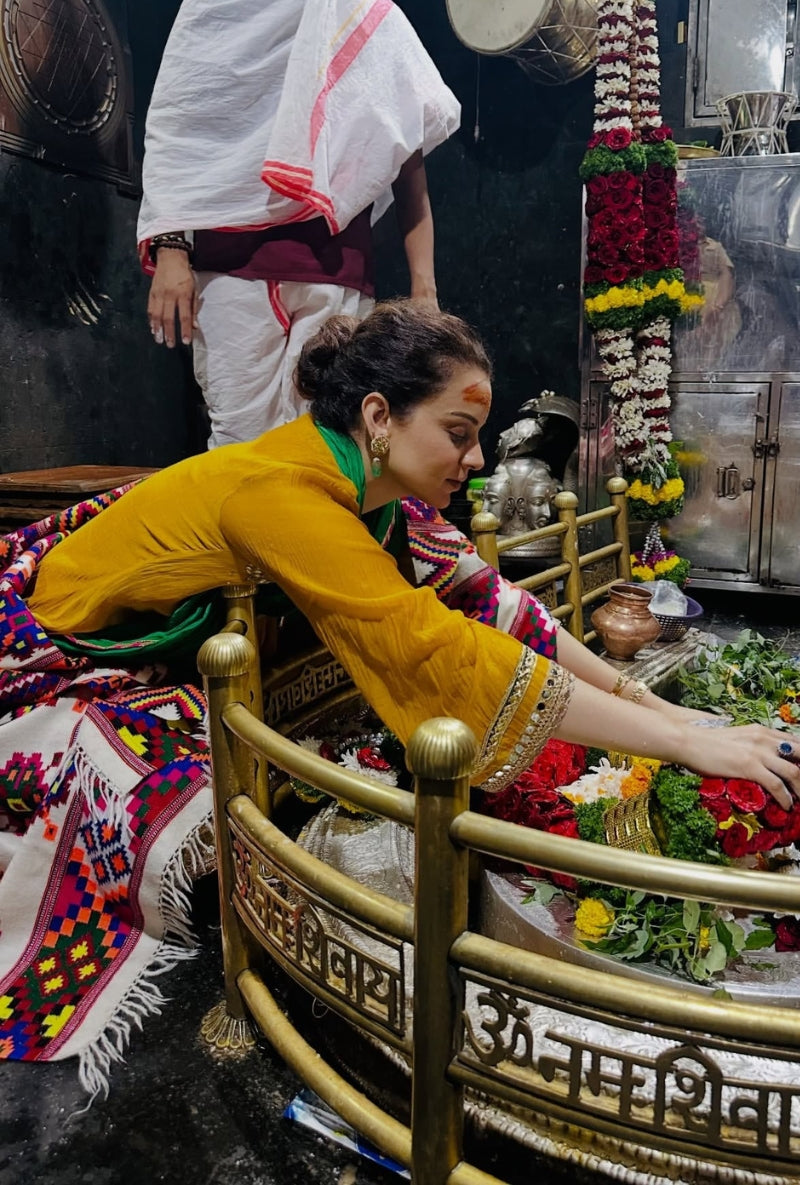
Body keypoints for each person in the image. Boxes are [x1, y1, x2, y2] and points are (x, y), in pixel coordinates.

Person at [2, 301, 799, 1092]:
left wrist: (657, 708)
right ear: (380, 414)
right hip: (63, 648)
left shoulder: (372, 482)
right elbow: (444, 650)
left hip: (204, 631)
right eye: (458, 433)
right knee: (184, 767)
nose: (480, 460)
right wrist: (691, 747)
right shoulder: (287, 494)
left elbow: (495, 607)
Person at [138, 0, 459, 447]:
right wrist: (170, 246)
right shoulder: (212, 8)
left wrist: (425, 291)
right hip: (232, 265)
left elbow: (406, 155)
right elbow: (182, 120)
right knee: (238, 441)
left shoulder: (363, 7)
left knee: (330, 440)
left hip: (336, 265)